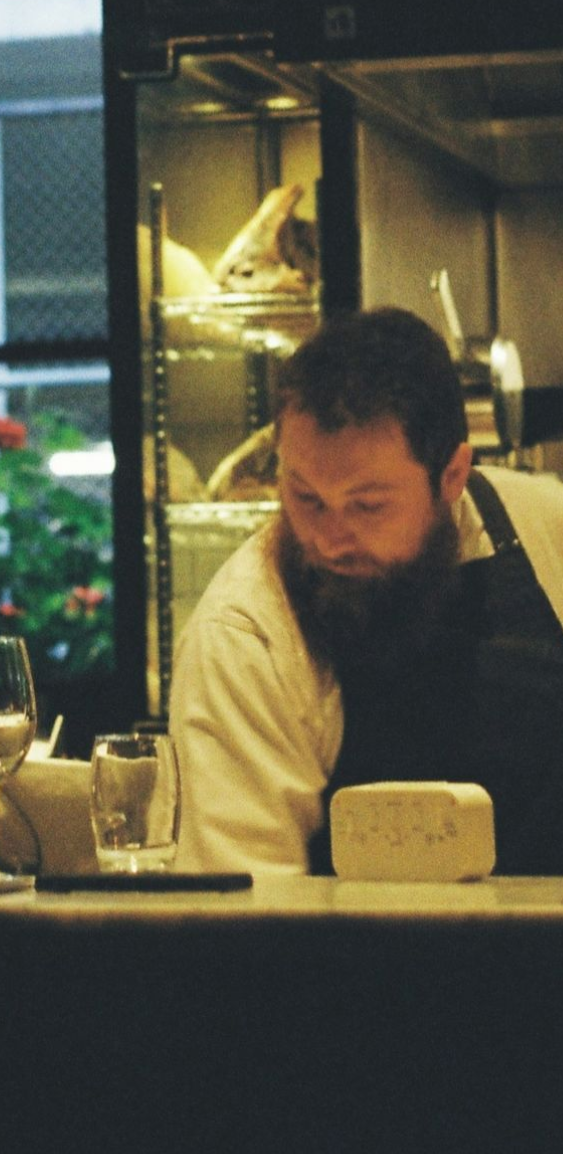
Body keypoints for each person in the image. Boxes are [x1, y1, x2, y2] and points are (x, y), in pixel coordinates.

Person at [171, 305, 563, 876]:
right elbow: (247, 926)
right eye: (305, 498)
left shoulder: (546, 528)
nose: (330, 541)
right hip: (354, 962)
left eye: (367, 506)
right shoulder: (245, 635)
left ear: (454, 476)